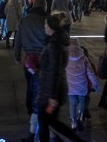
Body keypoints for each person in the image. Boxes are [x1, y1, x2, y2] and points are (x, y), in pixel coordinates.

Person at [37, 12, 88, 142]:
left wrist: (52, 96)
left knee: (45, 122)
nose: (44, 26)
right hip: (50, 89)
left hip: (50, 91)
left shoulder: (54, 44)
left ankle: (77, 140)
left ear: (51, 27)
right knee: (50, 122)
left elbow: (55, 70)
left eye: (45, 24)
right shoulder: (56, 41)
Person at [14, 0, 48, 142]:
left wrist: (17, 55)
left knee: (30, 86)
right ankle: (38, 114)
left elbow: (18, 39)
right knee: (42, 88)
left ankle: (31, 112)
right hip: (44, 58)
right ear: (44, 8)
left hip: (29, 59)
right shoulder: (47, 21)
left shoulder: (25, 20)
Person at [66, 38, 100, 132]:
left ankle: (73, 123)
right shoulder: (84, 58)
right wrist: (96, 86)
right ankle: (80, 118)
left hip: (71, 88)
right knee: (82, 102)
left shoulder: (65, 58)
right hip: (82, 87)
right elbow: (91, 73)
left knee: (72, 104)